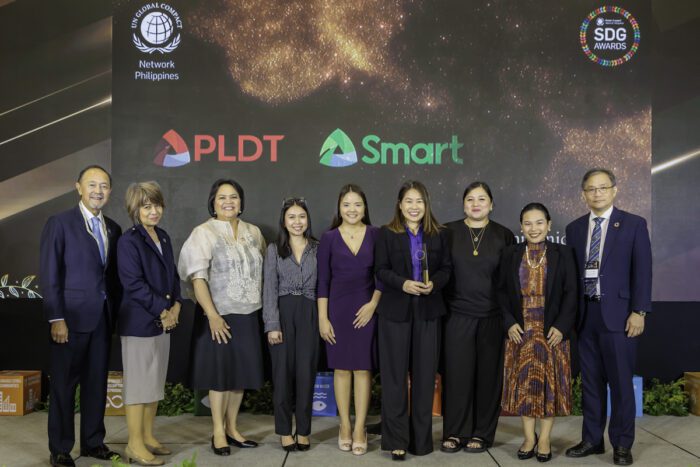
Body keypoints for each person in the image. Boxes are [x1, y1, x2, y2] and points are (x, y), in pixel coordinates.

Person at [565, 168, 652, 466]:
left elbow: (643, 271)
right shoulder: (574, 228)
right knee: (590, 383)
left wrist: (639, 311)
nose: (597, 193)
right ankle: (592, 439)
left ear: (614, 190)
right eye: (591, 189)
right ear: (583, 194)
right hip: (585, 316)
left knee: (621, 384)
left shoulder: (633, 224)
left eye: (603, 188)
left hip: (619, 317)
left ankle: (622, 444)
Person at [40, 165, 122, 467]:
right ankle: (60, 449)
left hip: (101, 319)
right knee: (63, 385)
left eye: (103, 186)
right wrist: (56, 317)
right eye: (92, 185)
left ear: (110, 191)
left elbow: (111, 278)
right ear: (78, 187)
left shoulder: (113, 227)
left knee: (96, 384)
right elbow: (50, 275)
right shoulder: (59, 223)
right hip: (69, 320)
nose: (98, 191)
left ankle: (93, 442)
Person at [178, 179, 265, 456]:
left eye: (234, 197)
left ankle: (232, 428)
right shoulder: (203, 232)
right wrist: (212, 315)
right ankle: (217, 431)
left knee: (239, 375)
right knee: (220, 376)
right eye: (222, 198)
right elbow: (197, 276)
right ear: (213, 202)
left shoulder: (254, 232)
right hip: (218, 315)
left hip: (249, 314)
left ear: (241, 202)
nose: (229, 202)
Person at [374, 180, 452, 461]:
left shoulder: (438, 234)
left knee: (424, 378)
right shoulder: (386, 233)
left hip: (429, 312)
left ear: (426, 204)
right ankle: (396, 440)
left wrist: (436, 284)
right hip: (395, 312)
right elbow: (380, 270)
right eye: (408, 201)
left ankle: (421, 441)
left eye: (419, 201)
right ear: (399, 204)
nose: (414, 206)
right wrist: (403, 283)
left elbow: (446, 269)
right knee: (395, 379)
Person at [499, 203, 577, 463]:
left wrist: (562, 327)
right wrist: (509, 322)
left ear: (549, 224)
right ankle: (528, 437)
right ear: (521, 227)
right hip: (519, 332)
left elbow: (571, 294)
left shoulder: (564, 253)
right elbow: (499, 292)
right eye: (528, 223)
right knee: (524, 387)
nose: (534, 228)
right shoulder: (510, 253)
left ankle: (544, 439)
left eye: (539, 222)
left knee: (548, 388)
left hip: (551, 331)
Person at [441, 181, 515, 454]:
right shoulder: (447, 232)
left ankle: (482, 433)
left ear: (491, 204)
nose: (476, 204)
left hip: (492, 317)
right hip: (456, 316)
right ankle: (454, 432)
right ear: (463, 204)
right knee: (457, 377)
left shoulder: (503, 235)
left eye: (482, 199)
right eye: (470, 199)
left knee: (488, 378)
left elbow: (509, 283)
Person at [117, 182, 181, 466]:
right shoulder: (129, 241)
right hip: (140, 322)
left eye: (156, 205)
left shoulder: (164, 236)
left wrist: (177, 304)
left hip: (163, 321)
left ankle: (148, 436)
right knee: (138, 385)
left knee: (154, 383)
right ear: (135, 209)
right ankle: (133, 444)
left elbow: (173, 276)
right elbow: (133, 284)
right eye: (146, 206)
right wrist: (163, 310)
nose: (153, 211)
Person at [317, 184, 382, 456]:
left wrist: (372, 305)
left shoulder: (377, 235)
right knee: (341, 369)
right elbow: (323, 281)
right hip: (338, 310)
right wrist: (323, 318)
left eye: (357, 204)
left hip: (367, 307)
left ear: (364, 207)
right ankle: (345, 425)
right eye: (346, 204)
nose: (352, 209)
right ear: (339, 208)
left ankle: (360, 428)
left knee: (363, 369)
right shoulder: (329, 238)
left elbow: (382, 274)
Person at [263, 198, 319, 452]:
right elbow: (269, 289)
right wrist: (272, 324)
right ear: (284, 222)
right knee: (282, 376)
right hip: (282, 312)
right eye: (292, 217)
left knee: (306, 374)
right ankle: (285, 431)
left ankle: (304, 431)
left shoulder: (318, 248)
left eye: (302, 217)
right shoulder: (274, 249)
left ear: (308, 220)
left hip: (310, 312)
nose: (298, 222)